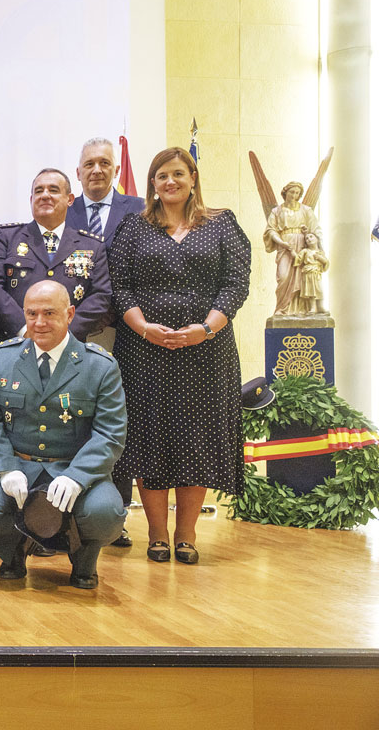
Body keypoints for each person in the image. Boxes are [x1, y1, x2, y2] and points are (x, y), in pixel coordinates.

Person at [108, 147, 251, 565]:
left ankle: (186, 534)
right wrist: (144, 328)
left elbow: (235, 285)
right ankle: (155, 534)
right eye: (160, 176)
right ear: (151, 184)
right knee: (149, 438)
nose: (169, 182)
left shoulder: (222, 224)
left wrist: (204, 329)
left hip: (206, 350)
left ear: (192, 177)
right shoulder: (133, 227)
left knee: (197, 439)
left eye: (177, 174)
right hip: (142, 349)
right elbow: (121, 287)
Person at [0, 280, 127, 589]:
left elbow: (111, 433)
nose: (39, 323)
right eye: (31, 314)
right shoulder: (3, 357)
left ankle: (84, 558)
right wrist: (6, 468)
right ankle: (14, 552)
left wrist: (77, 476)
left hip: (73, 469)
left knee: (106, 513)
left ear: (70, 314)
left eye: (49, 313)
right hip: (20, 465)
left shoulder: (99, 366)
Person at [66, 137, 146, 547]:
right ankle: (69, 514)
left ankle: (113, 516)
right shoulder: (63, 208)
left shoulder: (140, 209)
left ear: (116, 170)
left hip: (124, 333)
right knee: (75, 417)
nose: (96, 170)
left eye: (104, 163)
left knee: (115, 420)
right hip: (74, 330)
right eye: (88, 164)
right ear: (77, 172)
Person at [0, 169, 111, 374]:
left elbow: (101, 296)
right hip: (11, 347)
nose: (45, 195)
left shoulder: (92, 245)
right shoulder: (6, 237)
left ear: (69, 199)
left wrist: (62, 332)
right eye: (39, 191)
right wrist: (26, 328)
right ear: (31, 199)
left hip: (69, 353)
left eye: (53, 190)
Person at [263, 181, 322, 315]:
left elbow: (315, 230)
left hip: (302, 247)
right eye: (292, 192)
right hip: (284, 246)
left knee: (303, 278)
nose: (294, 195)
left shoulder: (306, 210)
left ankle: (303, 309)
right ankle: (282, 308)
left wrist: (307, 232)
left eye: (297, 193)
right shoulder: (277, 211)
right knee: (283, 277)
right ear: (285, 193)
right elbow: (271, 231)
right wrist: (281, 243)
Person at [292, 233, 329, 315]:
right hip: (308, 273)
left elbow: (326, 262)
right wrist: (292, 252)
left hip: (317, 273)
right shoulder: (305, 251)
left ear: (317, 239)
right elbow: (298, 259)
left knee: (319, 290)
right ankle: (313, 307)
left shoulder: (320, 252)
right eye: (307, 238)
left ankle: (320, 306)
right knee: (311, 291)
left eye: (311, 237)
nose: (309, 239)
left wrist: (320, 258)